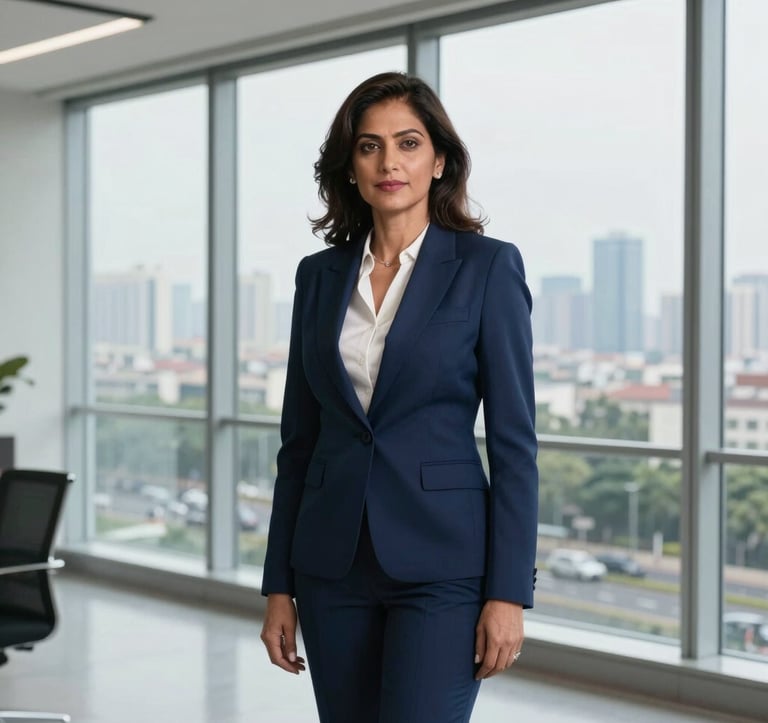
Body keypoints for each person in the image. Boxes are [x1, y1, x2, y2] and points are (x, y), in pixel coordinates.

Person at [260, 71, 538, 723]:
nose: (390, 162)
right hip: (331, 563)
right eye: (369, 145)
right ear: (349, 166)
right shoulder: (318, 277)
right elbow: (298, 445)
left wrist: (508, 593)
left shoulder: (488, 268)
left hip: (442, 566)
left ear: (439, 160)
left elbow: (515, 446)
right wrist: (279, 584)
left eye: (408, 143)